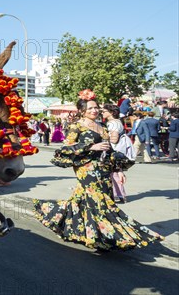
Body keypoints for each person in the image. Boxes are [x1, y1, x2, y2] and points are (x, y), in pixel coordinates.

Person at [33, 89, 163, 251]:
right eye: (90, 108)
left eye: (96, 108)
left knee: (85, 199)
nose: (94, 110)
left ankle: (64, 221)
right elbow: (66, 148)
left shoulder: (102, 126)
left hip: (103, 168)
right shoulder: (77, 126)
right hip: (85, 167)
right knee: (100, 201)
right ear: (82, 111)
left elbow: (109, 151)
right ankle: (105, 237)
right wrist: (91, 146)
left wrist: (118, 171)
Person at [102, 104, 132, 203]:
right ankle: (120, 194)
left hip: (113, 150)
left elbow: (114, 139)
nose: (102, 113)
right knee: (116, 172)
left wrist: (105, 140)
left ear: (111, 112)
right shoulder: (118, 122)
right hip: (118, 151)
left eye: (104, 111)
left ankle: (115, 195)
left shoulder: (112, 123)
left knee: (112, 173)